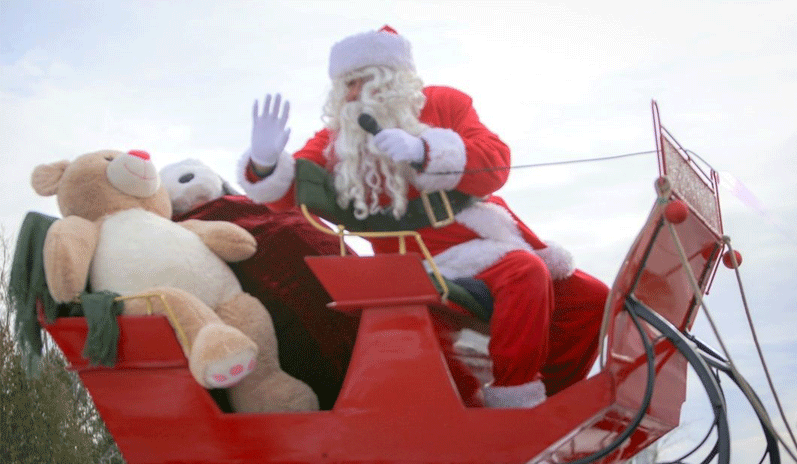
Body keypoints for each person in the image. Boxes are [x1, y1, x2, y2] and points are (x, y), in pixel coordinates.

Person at [237, 25, 609, 408]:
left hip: (483, 239)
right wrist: (265, 166)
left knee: (591, 299)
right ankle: (515, 403)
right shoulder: (337, 139)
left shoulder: (446, 104)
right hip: (415, 259)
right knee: (524, 272)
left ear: (393, 80)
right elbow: (289, 194)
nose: (350, 94)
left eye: (361, 81)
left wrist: (425, 151)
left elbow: (495, 162)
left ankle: (553, 403)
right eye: (345, 84)